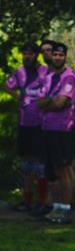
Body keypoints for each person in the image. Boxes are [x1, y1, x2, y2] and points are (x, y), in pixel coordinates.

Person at [36, 42, 75, 224]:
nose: (57, 58)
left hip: (64, 128)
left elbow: (60, 103)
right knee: (53, 169)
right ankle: (56, 207)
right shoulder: (47, 77)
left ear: (65, 57)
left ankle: (65, 208)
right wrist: (51, 102)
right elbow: (39, 102)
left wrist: (51, 102)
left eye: (60, 55)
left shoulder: (69, 77)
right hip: (47, 127)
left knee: (65, 168)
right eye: (54, 54)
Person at [4, 41, 49, 211]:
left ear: (36, 55)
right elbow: (8, 86)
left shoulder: (45, 72)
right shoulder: (20, 73)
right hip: (25, 123)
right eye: (24, 53)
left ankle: (43, 200)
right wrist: (21, 98)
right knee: (26, 164)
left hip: (41, 124)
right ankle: (27, 200)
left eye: (30, 53)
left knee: (40, 165)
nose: (27, 56)